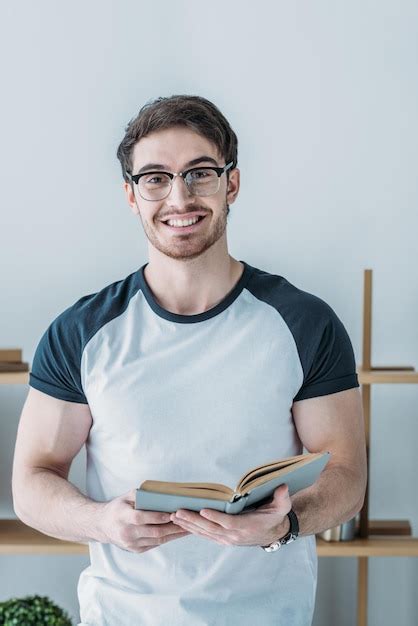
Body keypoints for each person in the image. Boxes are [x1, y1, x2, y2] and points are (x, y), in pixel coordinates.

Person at [11, 94, 367, 626]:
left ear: (232, 183)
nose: (180, 197)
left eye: (199, 173)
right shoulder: (81, 332)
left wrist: (288, 522)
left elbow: (347, 474)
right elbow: (32, 482)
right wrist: (102, 521)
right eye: (155, 178)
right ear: (131, 196)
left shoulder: (304, 322)